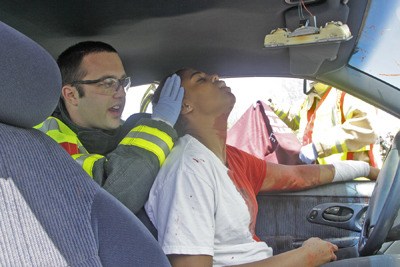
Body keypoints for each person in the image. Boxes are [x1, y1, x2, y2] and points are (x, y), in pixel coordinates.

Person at [145, 68, 380, 267]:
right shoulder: (188, 170)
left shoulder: (231, 158)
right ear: (185, 105)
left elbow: (298, 176)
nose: (216, 76)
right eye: (201, 79)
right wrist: (303, 256)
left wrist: (365, 169)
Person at [34, 41, 184, 215]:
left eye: (122, 82)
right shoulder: (45, 137)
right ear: (72, 95)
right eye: (107, 83)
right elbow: (110, 197)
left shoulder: (130, 131)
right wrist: (161, 125)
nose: (121, 93)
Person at [269, 82, 379, 167]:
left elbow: (367, 127)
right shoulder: (311, 99)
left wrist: (317, 148)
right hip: (325, 179)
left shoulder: (347, 92)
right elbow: (295, 119)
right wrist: (272, 108)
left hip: (354, 184)